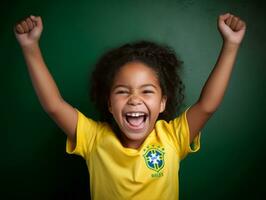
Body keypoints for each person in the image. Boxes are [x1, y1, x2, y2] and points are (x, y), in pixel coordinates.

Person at [14, 13, 246, 200]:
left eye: (146, 91)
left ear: (163, 102)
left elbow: (207, 106)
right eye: (123, 91)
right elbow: (54, 105)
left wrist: (231, 45)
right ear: (109, 104)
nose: (134, 99)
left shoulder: (173, 138)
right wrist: (30, 47)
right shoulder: (92, 138)